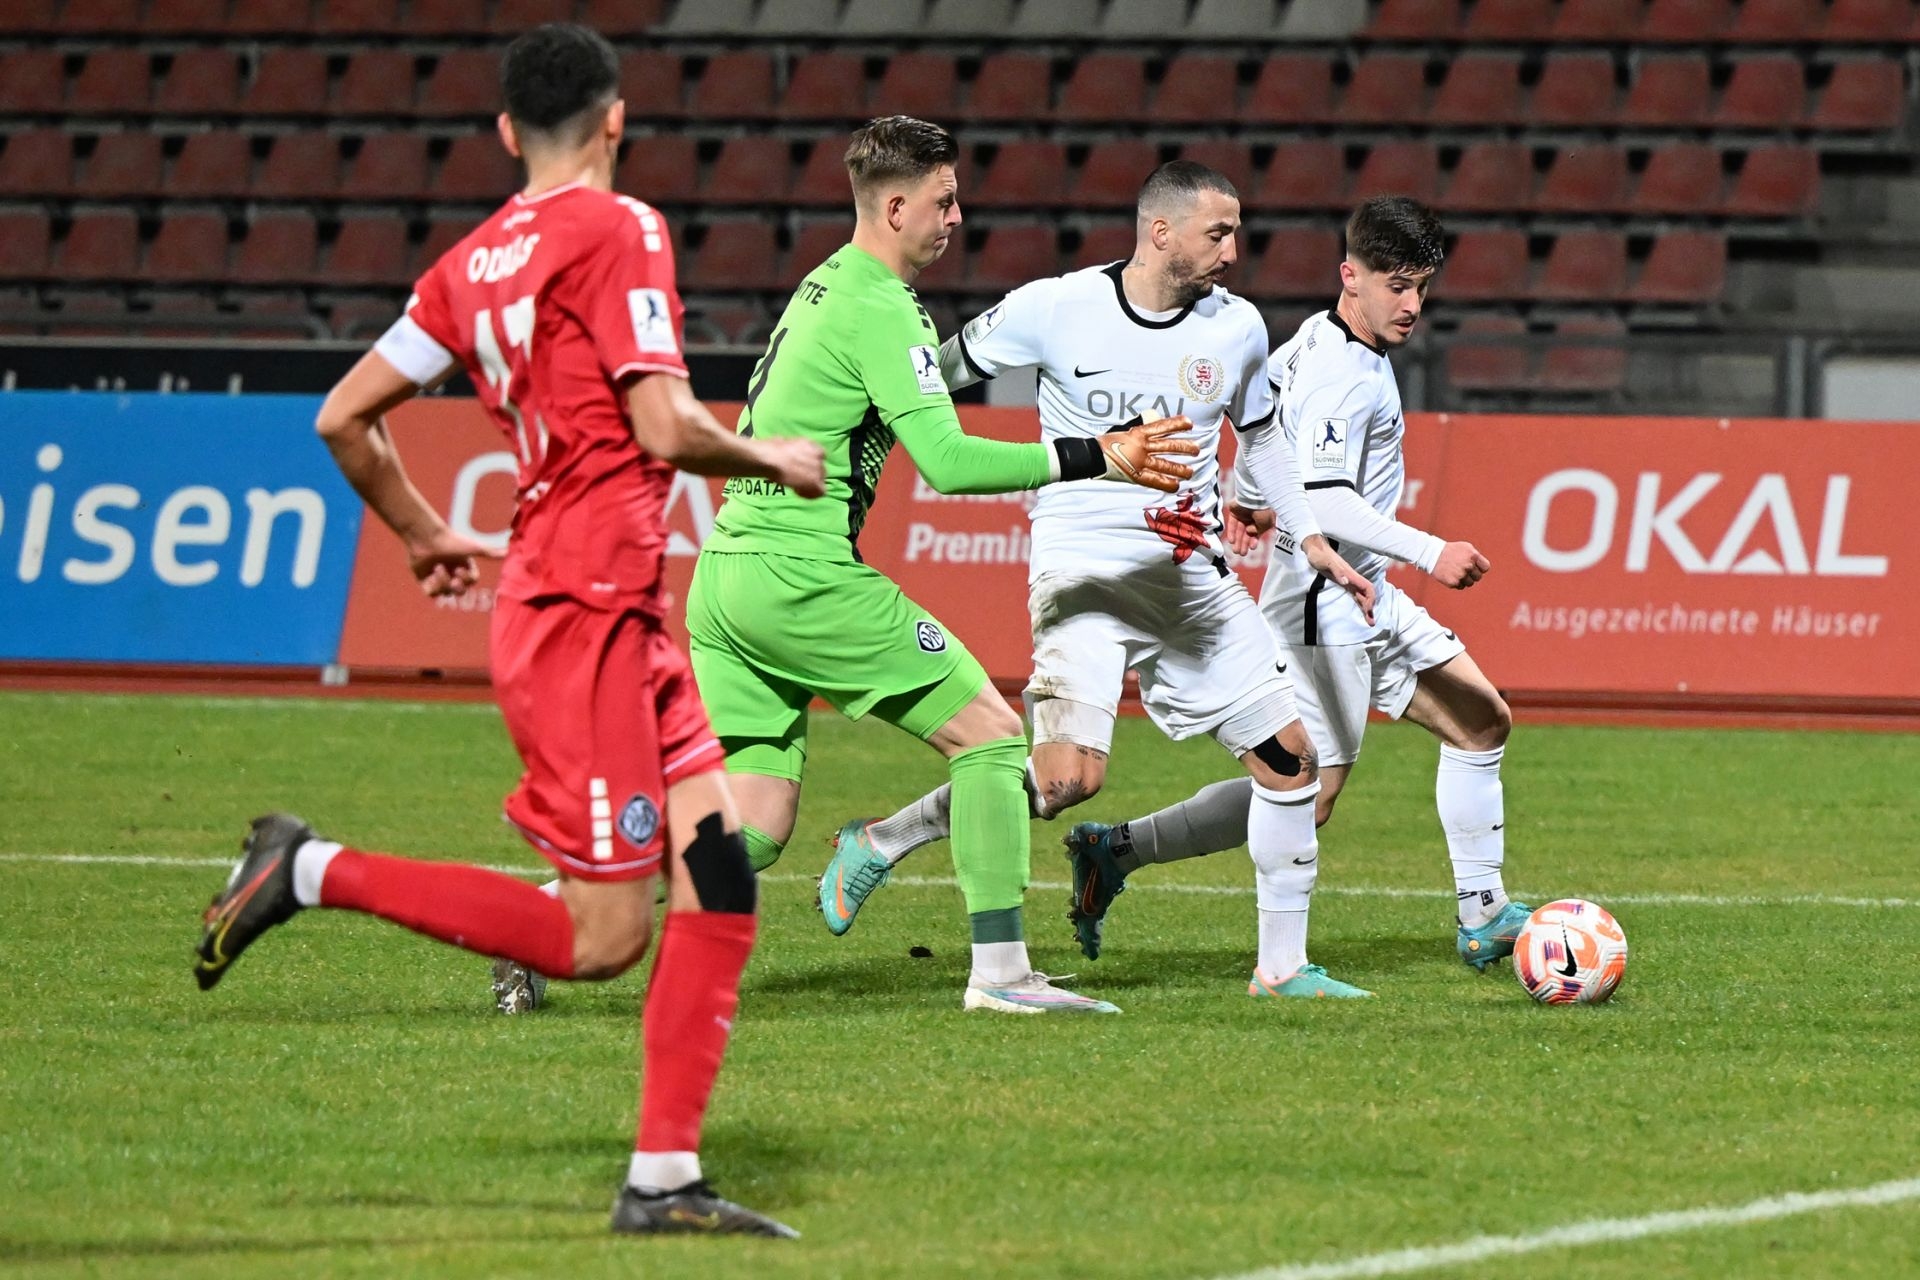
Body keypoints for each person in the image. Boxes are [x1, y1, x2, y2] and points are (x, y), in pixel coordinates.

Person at [190, 23, 824, 1238]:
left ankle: (665, 1179)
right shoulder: (622, 226)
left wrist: (421, 530)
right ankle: (308, 868)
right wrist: (771, 456)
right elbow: (664, 424)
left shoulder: (468, 264)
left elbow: (344, 416)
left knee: (720, 874)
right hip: (583, 618)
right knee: (604, 936)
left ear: (503, 132)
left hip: (603, 608)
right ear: (617, 119)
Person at [822, 161, 1382, 1001]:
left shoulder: (1237, 327)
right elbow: (929, 373)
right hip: (1082, 568)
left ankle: (1282, 969)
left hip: (1190, 577)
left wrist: (1308, 536)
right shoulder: (1054, 308)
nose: (1234, 251)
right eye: (1218, 233)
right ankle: (882, 839)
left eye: (1236, 233)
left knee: (1292, 765)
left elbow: (1262, 436)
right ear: (1161, 231)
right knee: (1065, 782)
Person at [686, 116, 1201, 1016]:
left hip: (727, 575)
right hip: (801, 575)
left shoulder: (825, 285)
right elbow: (951, 464)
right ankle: (1001, 973)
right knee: (993, 738)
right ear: (896, 207)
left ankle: (559, 907)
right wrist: (1100, 454)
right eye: (944, 199)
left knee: (756, 825)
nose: (958, 217)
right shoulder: (884, 306)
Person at [1059, 196, 1533, 972]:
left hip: (1361, 590)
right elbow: (1329, 497)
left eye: (1421, 287)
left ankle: (1483, 914)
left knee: (1482, 722)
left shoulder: (1313, 340)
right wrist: (1431, 549)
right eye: (1396, 286)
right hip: (1323, 602)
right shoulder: (1345, 375)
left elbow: (1257, 424)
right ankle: (1118, 852)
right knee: (1308, 791)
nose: (1411, 305)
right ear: (1351, 275)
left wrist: (1251, 496)